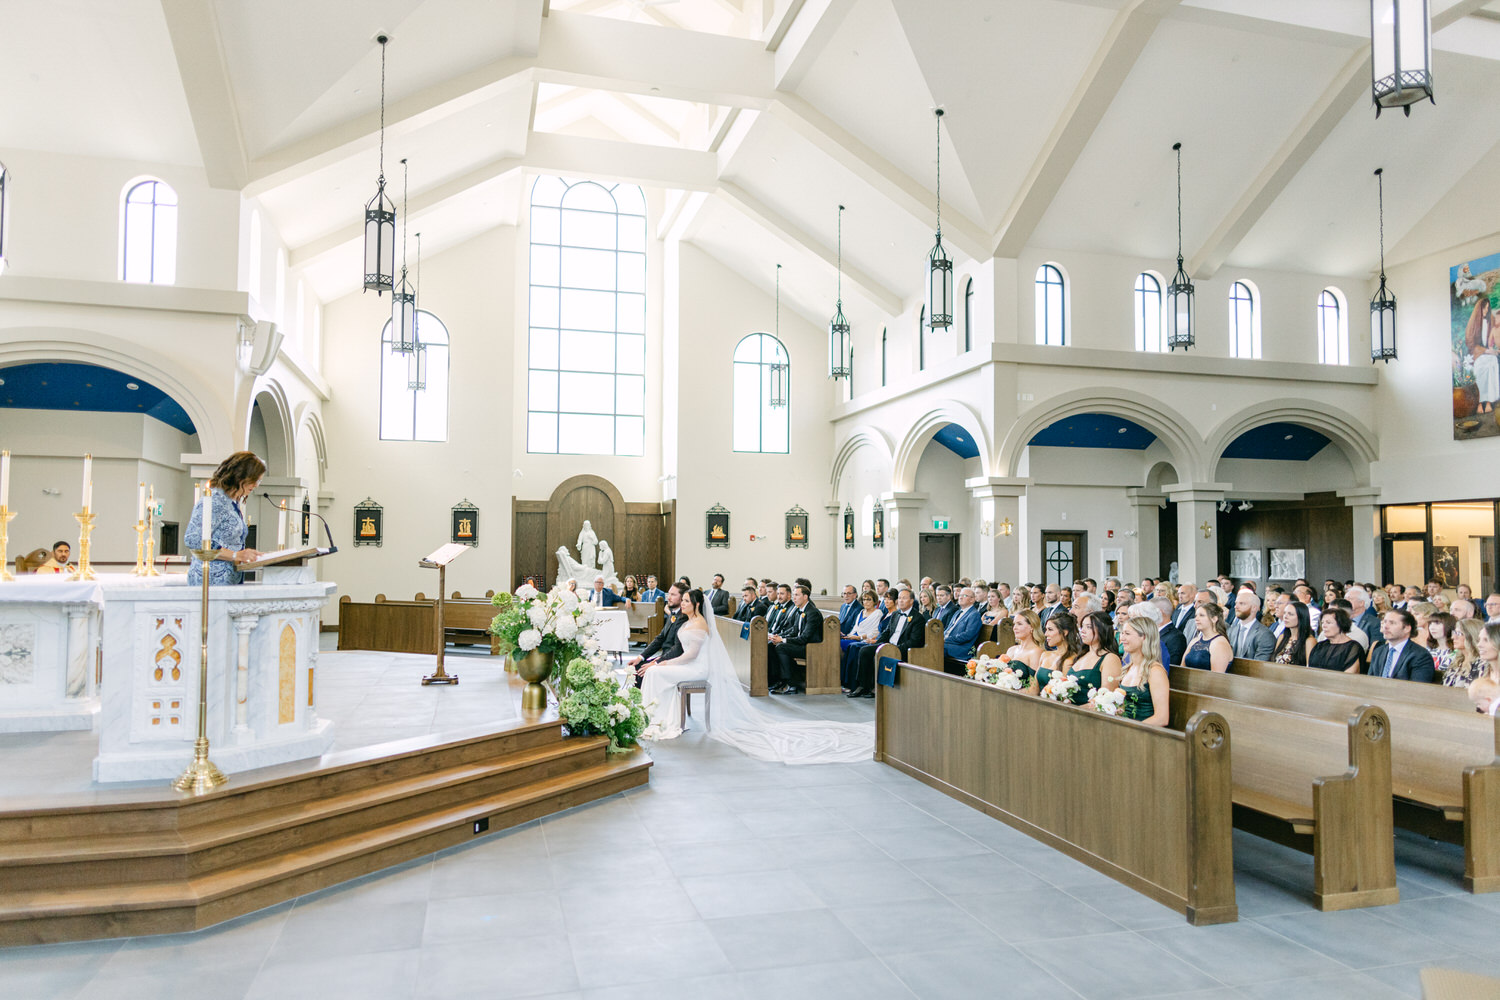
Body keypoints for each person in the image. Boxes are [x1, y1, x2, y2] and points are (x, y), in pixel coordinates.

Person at [640, 588, 712, 739]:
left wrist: (666, 662)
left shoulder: (699, 623)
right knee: (652, 671)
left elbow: (692, 655)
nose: (683, 604)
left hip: (697, 668)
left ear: (697, 604)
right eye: (683, 600)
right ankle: (648, 716)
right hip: (687, 665)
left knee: (655, 671)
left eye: (687, 601)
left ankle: (660, 719)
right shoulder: (689, 620)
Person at [186, 451, 266, 586]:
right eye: (255, 480)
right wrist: (236, 555)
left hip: (229, 578)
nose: (257, 485)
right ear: (240, 476)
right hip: (210, 579)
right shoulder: (214, 500)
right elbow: (193, 539)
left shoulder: (231, 502)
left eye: (259, 480)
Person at [848, 588, 925, 698]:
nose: (901, 601)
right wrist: (877, 643)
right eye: (899, 598)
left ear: (912, 601)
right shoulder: (896, 614)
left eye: (904, 598)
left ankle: (876, 688)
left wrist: (896, 649)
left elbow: (914, 641)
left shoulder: (918, 618)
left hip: (900, 649)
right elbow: (886, 632)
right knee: (864, 651)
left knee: (879, 655)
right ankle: (863, 685)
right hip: (887, 645)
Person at [767, 584, 822, 694]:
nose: (794, 598)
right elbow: (793, 630)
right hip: (802, 645)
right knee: (771, 645)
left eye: (797, 595)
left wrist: (782, 641)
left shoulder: (813, 613)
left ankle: (791, 683)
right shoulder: (799, 610)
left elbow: (804, 638)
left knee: (781, 647)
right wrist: (778, 637)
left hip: (812, 647)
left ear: (805, 597)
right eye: (794, 595)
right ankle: (778, 680)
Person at [1118, 617, 1170, 726]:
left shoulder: (1155, 671)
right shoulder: (1128, 668)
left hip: (1144, 734)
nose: (1122, 638)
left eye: (1127, 634)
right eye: (1122, 633)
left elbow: (1162, 718)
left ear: (1144, 637)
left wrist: (1130, 730)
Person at [629, 583, 685, 683]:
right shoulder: (673, 613)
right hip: (664, 657)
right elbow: (660, 638)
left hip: (673, 661)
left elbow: (677, 649)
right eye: (669, 594)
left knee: (643, 672)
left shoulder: (684, 617)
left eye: (673, 595)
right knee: (636, 666)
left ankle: (651, 698)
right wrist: (641, 657)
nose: (669, 597)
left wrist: (656, 662)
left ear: (682, 598)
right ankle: (643, 698)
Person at [1031, 611, 1089, 704]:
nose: (1046, 634)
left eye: (1050, 630)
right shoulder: (1045, 655)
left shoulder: (1071, 660)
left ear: (1064, 633)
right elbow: (1034, 688)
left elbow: (1064, 695)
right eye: (1046, 629)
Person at [1368, 609, 1437, 682]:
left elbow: (1418, 689)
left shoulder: (1420, 656)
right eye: (1385, 622)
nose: (1385, 626)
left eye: (1392, 623)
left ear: (1407, 628)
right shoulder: (1379, 651)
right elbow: (1370, 682)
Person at [839, 591, 884, 690]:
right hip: (855, 637)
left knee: (850, 646)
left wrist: (858, 637)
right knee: (839, 643)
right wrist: (849, 635)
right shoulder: (861, 612)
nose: (866, 602)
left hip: (864, 639)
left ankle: (849, 682)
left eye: (869, 599)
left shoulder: (877, 613)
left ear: (874, 601)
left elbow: (875, 632)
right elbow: (855, 628)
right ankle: (841, 679)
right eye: (864, 599)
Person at [1308, 607, 1366, 674]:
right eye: (1322, 622)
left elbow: (1349, 677)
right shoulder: (1320, 646)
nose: (1324, 626)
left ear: (1341, 624)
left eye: (1328, 623)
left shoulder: (1353, 648)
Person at [1079, 611, 1124, 694]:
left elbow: (1106, 698)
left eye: (1088, 627)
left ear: (1102, 630)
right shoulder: (1082, 654)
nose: (1083, 631)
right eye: (1082, 626)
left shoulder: (1110, 658)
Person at [941, 587, 982, 675]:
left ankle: (936, 675)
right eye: (959, 595)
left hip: (962, 648)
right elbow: (948, 629)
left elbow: (968, 635)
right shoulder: (958, 612)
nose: (960, 597)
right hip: (950, 644)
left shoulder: (974, 614)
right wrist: (941, 637)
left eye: (964, 595)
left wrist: (946, 639)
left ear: (972, 599)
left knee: (937, 648)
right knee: (931, 644)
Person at [1183, 603, 1233, 672]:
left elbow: (1216, 677)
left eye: (1201, 615)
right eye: (1196, 615)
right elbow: (1182, 668)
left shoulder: (1219, 644)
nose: (1196, 619)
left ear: (1214, 619)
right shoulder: (1195, 641)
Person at [1228, 590, 1275, 660]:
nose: (1236, 607)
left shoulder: (1265, 635)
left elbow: (1259, 665)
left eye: (1242, 603)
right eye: (1236, 603)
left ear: (1254, 608)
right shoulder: (1231, 630)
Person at [1003, 609, 1045, 683]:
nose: (1014, 628)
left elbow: (1034, 685)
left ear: (1032, 626)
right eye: (1014, 624)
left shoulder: (1036, 652)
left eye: (1019, 624)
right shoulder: (1011, 650)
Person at [1444, 618, 1487, 688]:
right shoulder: (1457, 661)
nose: (1453, 637)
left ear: (1471, 636)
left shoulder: (1482, 664)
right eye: (1454, 633)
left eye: (1458, 633)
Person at [1272, 601, 1314, 666]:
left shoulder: (1309, 640)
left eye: (1290, 614)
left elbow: (1310, 668)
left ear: (1301, 617)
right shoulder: (1282, 637)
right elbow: (1273, 661)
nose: (1285, 617)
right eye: (1285, 613)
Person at [1427, 611, 1460, 678]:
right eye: (1430, 623)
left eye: (1437, 623)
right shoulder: (1429, 652)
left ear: (1448, 625)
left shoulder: (1458, 652)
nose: (1432, 627)